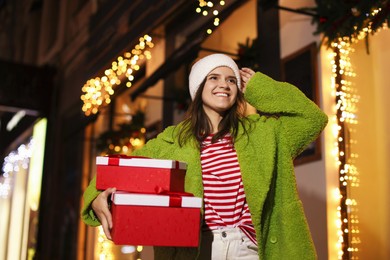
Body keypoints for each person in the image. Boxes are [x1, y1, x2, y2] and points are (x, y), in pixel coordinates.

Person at [81, 53, 328, 259]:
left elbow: (312, 118)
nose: (224, 84)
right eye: (214, 78)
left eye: (232, 80)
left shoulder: (265, 133)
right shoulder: (171, 141)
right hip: (199, 250)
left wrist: (259, 88)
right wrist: (95, 197)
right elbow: (117, 171)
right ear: (198, 87)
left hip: (250, 249)